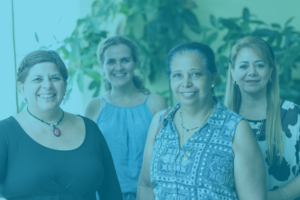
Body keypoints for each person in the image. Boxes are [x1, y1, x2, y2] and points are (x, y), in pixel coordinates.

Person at [137, 42, 267, 200]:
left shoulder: (236, 129)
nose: (186, 83)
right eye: (177, 75)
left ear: (212, 77)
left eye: (196, 74)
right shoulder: (160, 121)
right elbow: (146, 186)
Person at [0, 50, 122, 200]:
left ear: (64, 85)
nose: (47, 85)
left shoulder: (90, 128)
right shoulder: (4, 132)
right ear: (22, 88)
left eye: (55, 78)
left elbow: (112, 193)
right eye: (37, 79)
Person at [84, 36, 167, 200]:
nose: (119, 67)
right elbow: (88, 158)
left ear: (136, 63)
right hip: (106, 194)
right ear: (102, 66)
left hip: (151, 194)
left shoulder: (155, 102)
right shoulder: (94, 107)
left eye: (125, 60)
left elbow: (166, 154)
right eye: (111, 62)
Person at [225, 36, 300, 200]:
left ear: (271, 70)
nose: (252, 72)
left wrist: (278, 195)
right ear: (233, 72)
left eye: (259, 65)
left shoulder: (295, 116)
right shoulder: (220, 120)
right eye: (244, 66)